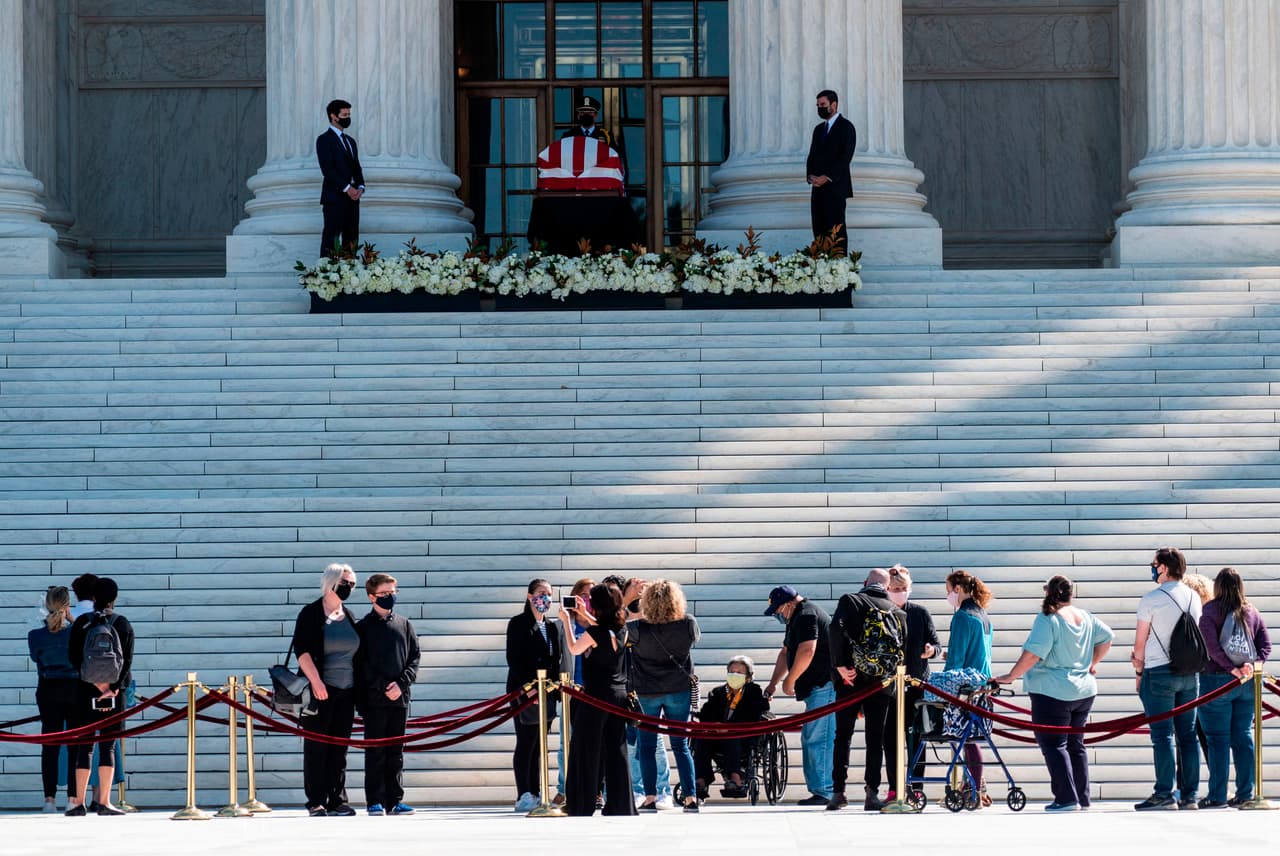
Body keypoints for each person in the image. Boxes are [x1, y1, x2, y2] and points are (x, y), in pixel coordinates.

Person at [994, 576, 1113, 812]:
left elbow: (1033, 654)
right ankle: (1081, 796)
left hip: (1052, 690)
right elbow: (1108, 637)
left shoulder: (1048, 619)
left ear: (1048, 593)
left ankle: (1066, 798)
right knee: (1075, 745)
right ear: (1071, 594)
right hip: (1084, 690)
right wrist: (1092, 662)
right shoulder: (1085, 617)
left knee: (1053, 744)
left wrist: (1011, 676)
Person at [827, 568, 905, 811]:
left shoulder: (851, 600)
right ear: (887, 587)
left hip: (850, 679)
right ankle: (872, 794)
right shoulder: (898, 612)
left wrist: (840, 665)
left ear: (865, 583)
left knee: (843, 736)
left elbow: (835, 629)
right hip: (881, 683)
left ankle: (838, 793)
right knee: (875, 739)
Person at [1131, 546, 1202, 810]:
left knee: (1162, 735)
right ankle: (1190, 795)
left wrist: (1138, 670)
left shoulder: (1151, 599)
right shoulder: (1194, 596)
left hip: (1159, 671)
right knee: (1188, 735)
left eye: (1154, 564)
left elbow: (1141, 643)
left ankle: (1164, 793)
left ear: (1163, 567)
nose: (1151, 568)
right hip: (1189, 672)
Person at [1196, 567, 1272, 808]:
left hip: (1216, 682)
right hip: (1249, 684)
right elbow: (1266, 646)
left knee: (1217, 739)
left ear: (1217, 586)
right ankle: (1246, 793)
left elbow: (1210, 647)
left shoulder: (1210, 610)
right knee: (1243, 737)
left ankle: (1218, 796)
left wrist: (1231, 668)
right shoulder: (1252, 611)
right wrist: (1250, 666)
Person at [560, 583, 636, 816]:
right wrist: (583, 614)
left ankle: (582, 803)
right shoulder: (622, 630)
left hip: (596, 696)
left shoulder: (595, 633)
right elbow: (606, 631)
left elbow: (574, 649)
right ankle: (621, 804)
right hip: (618, 696)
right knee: (616, 748)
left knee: (585, 747)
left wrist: (566, 621)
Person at [293, 562, 362, 817]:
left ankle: (338, 799)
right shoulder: (311, 613)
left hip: (347, 691)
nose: (349, 588)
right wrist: (316, 682)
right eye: (345, 583)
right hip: (319, 690)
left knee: (339, 748)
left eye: (353, 584)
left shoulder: (350, 615)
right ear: (331, 582)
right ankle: (315, 801)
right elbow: (303, 652)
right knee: (316, 747)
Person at [629, 578, 701, 812]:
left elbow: (619, 633)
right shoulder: (688, 623)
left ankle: (650, 797)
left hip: (647, 691)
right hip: (678, 689)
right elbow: (695, 640)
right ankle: (690, 798)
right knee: (680, 745)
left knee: (647, 746)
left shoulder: (637, 629)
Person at [65, 577, 133, 817]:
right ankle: (104, 801)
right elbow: (127, 661)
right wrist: (111, 687)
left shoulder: (82, 622)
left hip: (85, 691)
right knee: (108, 747)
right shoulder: (122, 623)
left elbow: (74, 658)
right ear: (114, 598)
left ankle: (78, 802)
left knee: (85, 746)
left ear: (93, 598)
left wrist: (96, 683)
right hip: (114, 695)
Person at [355, 572, 420, 816]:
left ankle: (395, 799)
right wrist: (384, 686)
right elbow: (360, 664)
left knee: (396, 752)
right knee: (375, 751)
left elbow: (414, 657)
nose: (390, 597)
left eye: (393, 593)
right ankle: (375, 799)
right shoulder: (362, 627)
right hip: (374, 699)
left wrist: (401, 684)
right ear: (372, 597)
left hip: (399, 698)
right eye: (385, 593)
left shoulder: (404, 624)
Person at [763, 584, 834, 806]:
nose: (777, 614)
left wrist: (790, 680)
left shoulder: (806, 614)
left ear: (789, 603)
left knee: (818, 738)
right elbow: (786, 652)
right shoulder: (796, 617)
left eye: (778, 610)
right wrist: (773, 683)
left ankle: (825, 790)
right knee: (811, 737)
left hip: (824, 685)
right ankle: (820, 789)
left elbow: (807, 650)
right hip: (815, 688)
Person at [505, 578, 562, 813]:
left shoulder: (552, 626)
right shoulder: (518, 623)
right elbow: (514, 658)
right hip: (525, 691)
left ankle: (537, 791)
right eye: (541, 593)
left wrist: (556, 687)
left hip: (546, 691)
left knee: (540, 744)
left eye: (548, 594)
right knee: (526, 741)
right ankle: (524, 793)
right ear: (529, 596)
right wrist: (527, 686)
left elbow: (555, 659)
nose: (545, 598)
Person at [882, 565, 939, 798]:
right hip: (889, 687)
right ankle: (895, 788)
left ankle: (916, 788)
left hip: (916, 685)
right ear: (887, 589)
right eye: (895, 589)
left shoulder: (920, 613)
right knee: (890, 740)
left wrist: (930, 651)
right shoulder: (881, 612)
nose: (900, 592)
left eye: (904, 588)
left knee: (916, 738)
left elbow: (936, 643)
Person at [943, 568, 995, 807]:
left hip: (965, 685)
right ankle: (974, 787)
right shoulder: (983, 615)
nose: (948, 596)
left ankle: (973, 789)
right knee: (972, 738)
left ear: (957, 589)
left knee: (966, 739)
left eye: (948, 590)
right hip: (982, 681)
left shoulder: (962, 616)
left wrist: (944, 684)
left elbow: (956, 659)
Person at [28, 586, 78, 812]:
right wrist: (74, 621)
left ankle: (49, 799)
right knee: (76, 743)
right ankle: (73, 797)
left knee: (50, 745)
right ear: (67, 605)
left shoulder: (35, 635)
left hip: (48, 688)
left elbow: (37, 660)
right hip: (74, 688)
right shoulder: (76, 632)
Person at [693, 655, 769, 799]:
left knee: (732, 737)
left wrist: (730, 727)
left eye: (739, 673)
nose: (735, 676)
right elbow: (706, 713)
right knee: (700, 738)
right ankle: (701, 780)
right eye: (732, 672)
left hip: (743, 736)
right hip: (716, 735)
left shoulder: (754, 692)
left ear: (748, 676)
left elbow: (755, 713)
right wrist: (714, 725)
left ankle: (735, 777)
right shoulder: (717, 693)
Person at [556, 577, 595, 805]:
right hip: (571, 687)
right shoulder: (565, 623)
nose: (586, 600)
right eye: (583, 595)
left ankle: (596, 788)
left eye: (591, 596)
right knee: (566, 742)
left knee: (594, 741)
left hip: (594, 689)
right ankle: (564, 786)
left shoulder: (597, 623)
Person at [805, 89, 856, 255]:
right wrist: (810, 176)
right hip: (817, 189)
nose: (819, 108)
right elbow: (812, 155)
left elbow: (845, 157)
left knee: (836, 230)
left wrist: (826, 177)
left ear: (834, 105)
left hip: (836, 188)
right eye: (818, 105)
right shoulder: (818, 129)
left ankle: (839, 269)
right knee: (818, 229)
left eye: (823, 105)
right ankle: (821, 267)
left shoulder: (846, 127)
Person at [316, 98, 365, 257]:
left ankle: (350, 274)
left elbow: (356, 167)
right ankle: (327, 277)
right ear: (333, 116)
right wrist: (347, 188)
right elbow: (328, 170)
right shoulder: (324, 140)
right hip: (334, 198)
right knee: (332, 239)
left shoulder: (350, 141)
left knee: (352, 239)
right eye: (344, 115)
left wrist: (360, 187)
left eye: (349, 114)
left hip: (353, 199)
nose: (348, 118)